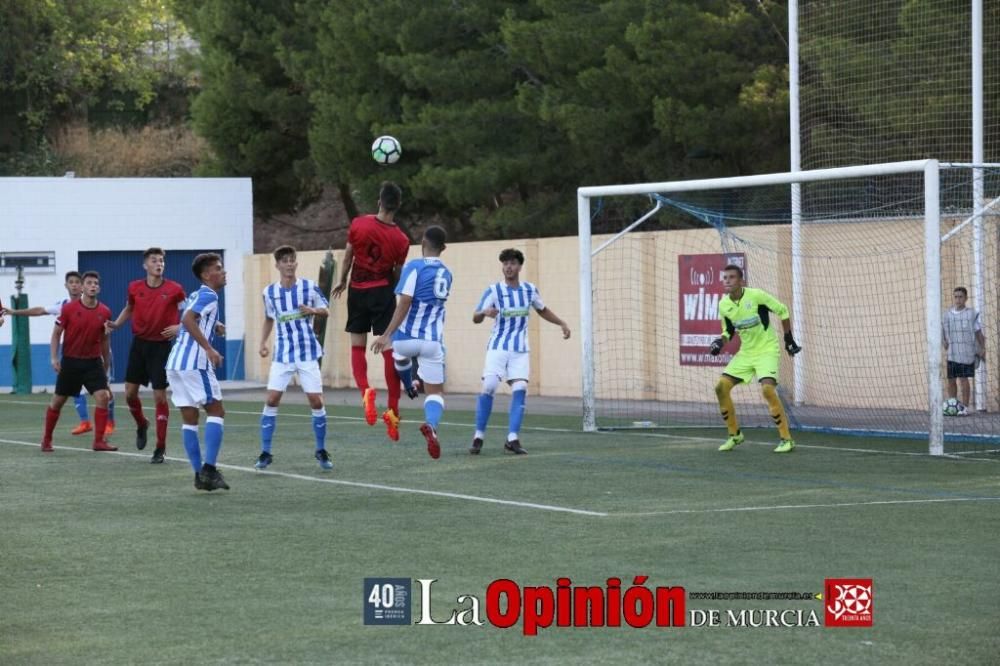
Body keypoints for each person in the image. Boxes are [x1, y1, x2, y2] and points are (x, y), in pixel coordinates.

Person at [469, 248, 571, 455]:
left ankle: (512, 438)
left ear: (520, 266)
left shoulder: (529, 290)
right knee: (489, 385)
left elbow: (542, 309)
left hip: (520, 350)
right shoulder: (494, 290)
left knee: (521, 387)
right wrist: (484, 312)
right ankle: (478, 436)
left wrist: (561, 322)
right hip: (498, 347)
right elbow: (475, 317)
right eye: (505, 263)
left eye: (512, 263)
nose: (508, 267)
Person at [331, 181, 411, 441]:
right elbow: (398, 272)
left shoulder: (359, 224)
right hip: (382, 292)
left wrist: (342, 280)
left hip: (357, 290)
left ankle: (366, 391)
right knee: (390, 350)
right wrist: (397, 294)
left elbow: (347, 257)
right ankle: (393, 413)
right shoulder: (401, 239)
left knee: (357, 346)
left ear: (379, 200)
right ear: (397, 205)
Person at [371, 226, 452, 459]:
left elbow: (405, 302)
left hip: (407, 338)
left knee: (399, 355)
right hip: (433, 342)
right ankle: (431, 426)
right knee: (436, 394)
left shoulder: (414, 267)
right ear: (443, 248)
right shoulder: (447, 273)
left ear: (422, 242)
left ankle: (408, 384)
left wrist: (386, 333)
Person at [4, 270, 114, 435]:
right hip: (74, 357)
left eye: (78, 282)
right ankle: (85, 422)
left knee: (105, 391)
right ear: (67, 286)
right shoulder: (64, 305)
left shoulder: (96, 306)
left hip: (95, 356)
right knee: (74, 390)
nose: (75, 285)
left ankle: (109, 422)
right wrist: (14, 312)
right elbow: (40, 311)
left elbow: (105, 331)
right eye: (72, 282)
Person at [254, 245, 333, 471]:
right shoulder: (269, 292)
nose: (289, 264)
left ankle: (320, 449)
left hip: (307, 353)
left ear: (296, 264)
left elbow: (325, 309)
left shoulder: (309, 287)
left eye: (292, 260)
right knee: (271, 400)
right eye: (285, 261)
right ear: (277, 265)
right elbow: (269, 318)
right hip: (283, 355)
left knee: (316, 401)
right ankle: (266, 452)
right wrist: (262, 343)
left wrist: (313, 311)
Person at [709, 264, 801, 453]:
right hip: (746, 353)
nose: (727, 281)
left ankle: (786, 439)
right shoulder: (723, 305)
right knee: (721, 387)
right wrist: (720, 341)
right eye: (725, 277)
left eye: (732, 277)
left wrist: (789, 339)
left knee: (767, 389)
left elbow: (783, 310)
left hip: (767, 350)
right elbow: (728, 330)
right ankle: (735, 435)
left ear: (741, 280)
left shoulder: (756, 295)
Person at [106, 247, 187, 462]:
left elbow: (189, 312)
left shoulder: (175, 289)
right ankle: (142, 424)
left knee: (160, 395)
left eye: (161, 261)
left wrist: (180, 327)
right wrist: (116, 323)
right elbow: (129, 308)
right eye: (154, 260)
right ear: (145, 265)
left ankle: (160, 448)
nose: (159, 263)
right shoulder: (134, 287)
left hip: (161, 347)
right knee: (130, 393)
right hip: (139, 345)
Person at [165, 253, 229, 491]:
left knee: (189, 418)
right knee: (216, 411)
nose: (224, 272)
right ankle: (209, 471)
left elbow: (191, 318)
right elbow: (188, 318)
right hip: (195, 363)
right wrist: (209, 348)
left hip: (176, 364)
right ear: (206, 275)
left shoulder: (196, 294)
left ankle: (198, 476)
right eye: (219, 268)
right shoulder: (210, 294)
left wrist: (216, 326)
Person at [40, 271, 117, 453]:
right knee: (57, 401)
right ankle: (46, 439)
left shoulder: (105, 311)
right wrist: (54, 357)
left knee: (103, 397)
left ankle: (99, 441)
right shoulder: (68, 309)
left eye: (95, 283)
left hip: (93, 363)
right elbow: (56, 333)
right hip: (71, 363)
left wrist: (105, 366)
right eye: (89, 283)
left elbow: (105, 341)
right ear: (82, 287)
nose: (92, 286)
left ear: (98, 288)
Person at [943, 286, 986, 415]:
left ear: (966, 298)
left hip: (966, 353)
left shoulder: (971, 314)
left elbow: (978, 333)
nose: (958, 299)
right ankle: (952, 405)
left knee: (963, 379)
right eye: (956, 296)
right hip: (952, 352)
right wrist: (944, 341)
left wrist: (983, 348)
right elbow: (943, 331)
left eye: (960, 297)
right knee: (951, 380)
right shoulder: (947, 315)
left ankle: (965, 408)